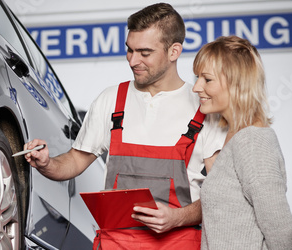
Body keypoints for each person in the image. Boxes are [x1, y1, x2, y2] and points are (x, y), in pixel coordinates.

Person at [24, 3, 227, 249]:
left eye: (144, 52)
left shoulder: (203, 107)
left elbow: (222, 195)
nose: (133, 61)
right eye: (129, 50)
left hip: (180, 243)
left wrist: (177, 218)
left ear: (174, 51)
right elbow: (75, 161)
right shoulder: (111, 99)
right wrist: (47, 163)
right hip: (115, 243)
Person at [193, 35, 292, 249]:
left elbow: (282, 233)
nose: (196, 87)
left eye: (207, 79)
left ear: (236, 83)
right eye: (197, 78)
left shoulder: (252, 141)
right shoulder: (233, 137)